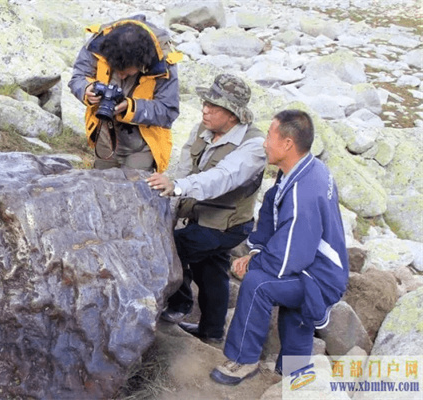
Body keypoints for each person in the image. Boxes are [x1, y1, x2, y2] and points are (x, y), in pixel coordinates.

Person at [210, 110, 349, 385]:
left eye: (270, 136)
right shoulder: (303, 169)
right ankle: (292, 374)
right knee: (295, 311)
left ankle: (243, 360)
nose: (264, 142)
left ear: (287, 144)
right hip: (320, 267)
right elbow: (275, 215)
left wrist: (253, 263)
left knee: (258, 284)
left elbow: (289, 258)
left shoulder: (303, 192)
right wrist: (257, 250)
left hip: (319, 276)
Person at [146, 73, 267, 345]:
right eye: (205, 102)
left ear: (233, 115)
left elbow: (222, 177)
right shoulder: (204, 128)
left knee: (171, 249)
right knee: (211, 271)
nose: (205, 109)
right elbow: (185, 165)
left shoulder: (253, 146)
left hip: (227, 225)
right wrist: (170, 207)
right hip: (199, 217)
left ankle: (179, 303)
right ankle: (211, 332)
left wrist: (176, 186)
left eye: (214, 106)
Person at [68, 15, 182, 172]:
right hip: (104, 135)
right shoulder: (99, 43)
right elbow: (78, 77)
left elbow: (169, 111)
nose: (120, 76)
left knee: (133, 188)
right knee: (101, 183)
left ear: (142, 64)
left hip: (142, 144)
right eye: (116, 71)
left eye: (126, 73)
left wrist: (130, 108)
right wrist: (86, 89)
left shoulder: (164, 63)